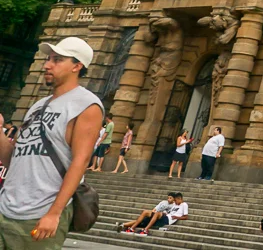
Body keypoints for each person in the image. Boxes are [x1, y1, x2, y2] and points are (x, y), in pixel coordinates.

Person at [0, 37, 104, 249]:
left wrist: (54, 213)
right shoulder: (38, 105)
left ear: (77, 66)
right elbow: (15, 159)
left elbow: (81, 161)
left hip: (39, 214)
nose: (47, 65)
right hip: (5, 208)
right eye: (48, 58)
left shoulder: (87, 105)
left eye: (57, 59)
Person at [116, 191, 188, 234]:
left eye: (175, 200)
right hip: (165, 216)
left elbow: (185, 217)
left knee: (156, 214)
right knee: (145, 212)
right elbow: (168, 211)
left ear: (180, 199)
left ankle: (145, 230)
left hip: (168, 219)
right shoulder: (174, 204)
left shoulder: (184, 205)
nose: (175, 202)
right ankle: (132, 228)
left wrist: (176, 217)